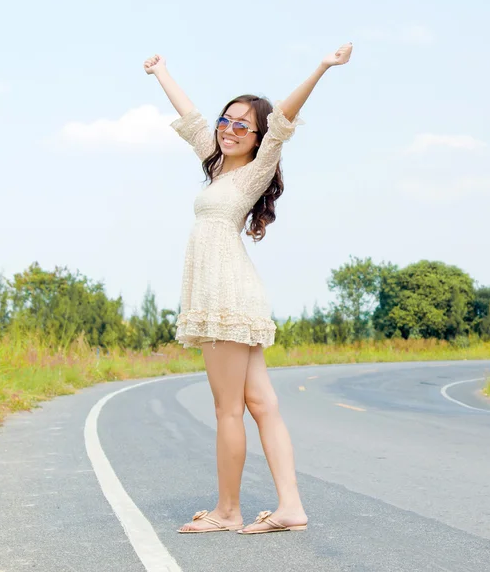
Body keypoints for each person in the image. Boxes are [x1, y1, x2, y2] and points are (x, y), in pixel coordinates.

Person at [143, 43, 352, 534]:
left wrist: (321, 67)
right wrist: (162, 72)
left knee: (227, 409)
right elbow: (194, 119)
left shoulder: (256, 170)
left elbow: (283, 118)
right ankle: (291, 508)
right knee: (261, 404)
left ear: (257, 139)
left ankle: (228, 511)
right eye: (227, 120)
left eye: (242, 126)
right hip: (233, 291)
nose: (229, 129)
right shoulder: (217, 167)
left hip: (224, 296)